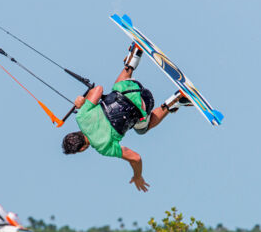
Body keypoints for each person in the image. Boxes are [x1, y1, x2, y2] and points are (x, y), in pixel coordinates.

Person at [62, 43, 191, 192]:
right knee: (116, 90)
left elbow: (136, 158)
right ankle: (132, 60)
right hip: (131, 86)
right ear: (74, 133)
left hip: (146, 102)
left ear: (82, 148)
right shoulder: (81, 117)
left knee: (143, 129)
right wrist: (83, 102)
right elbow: (98, 89)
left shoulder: (103, 148)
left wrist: (137, 176)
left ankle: (177, 100)